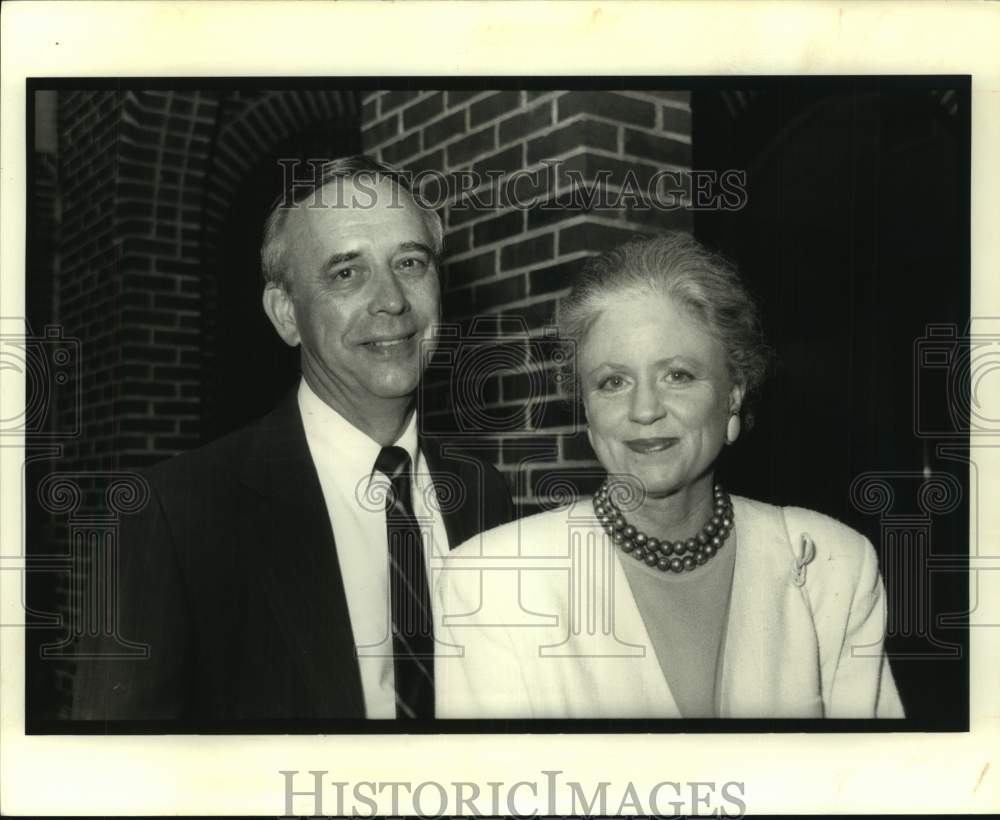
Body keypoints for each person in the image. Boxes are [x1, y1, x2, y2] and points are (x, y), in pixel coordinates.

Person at [70, 156, 512, 725]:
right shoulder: (175, 516)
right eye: (346, 273)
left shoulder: (482, 494)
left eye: (410, 262)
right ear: (286, 315)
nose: (393, 300)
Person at [434, 232, 903, 719]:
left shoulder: (834, 564)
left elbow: (871, 782)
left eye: (678, 374)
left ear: (734, 392)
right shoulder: (489, 582)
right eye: (613, 382)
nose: (644, 410)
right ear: (586, 408)